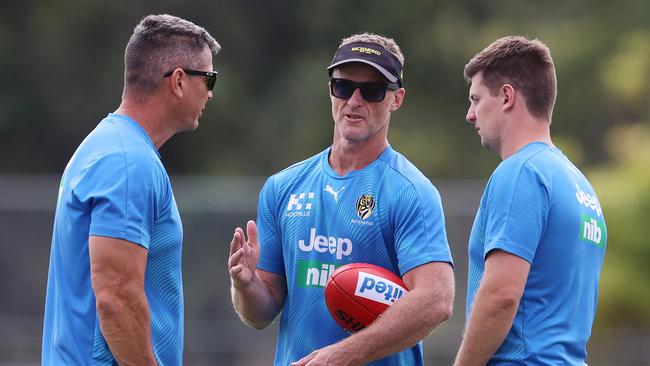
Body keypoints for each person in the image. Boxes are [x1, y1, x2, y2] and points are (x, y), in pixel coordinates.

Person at [228, 32, 455, 366]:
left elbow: (437, 300)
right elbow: (261, 312)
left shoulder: (409, 191)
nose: (355, 101)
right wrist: (245, 286)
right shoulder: (283, 187)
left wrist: (345, 355)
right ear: (330, 89)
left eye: (373, 91)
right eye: (344, 87)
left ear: (396, 98)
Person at [41, 14, 220, 365]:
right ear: (180, 81)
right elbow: (116, 297)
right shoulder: (128, 162)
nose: (211, 93)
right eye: (209, 78)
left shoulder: (105, 145)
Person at [453, 36, 607, 365]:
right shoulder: (580, 186)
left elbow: (501, 296)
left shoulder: (520, 172)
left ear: (506, 96)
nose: (470, 114)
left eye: (476, 99)